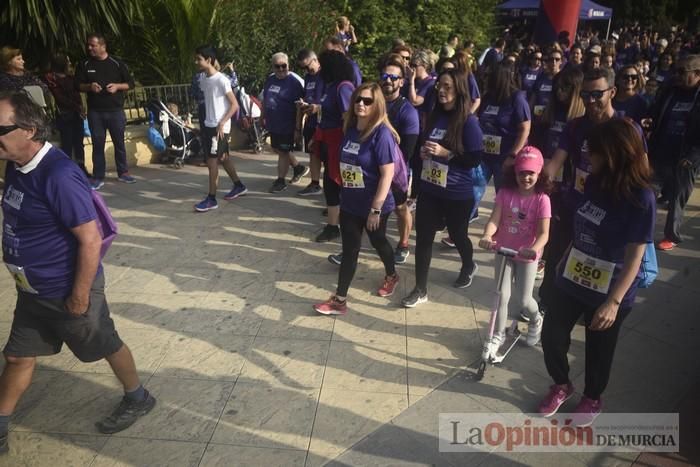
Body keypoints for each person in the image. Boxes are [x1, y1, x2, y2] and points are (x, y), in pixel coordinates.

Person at [0, 91, 156, 453]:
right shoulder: (16, 165)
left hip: (64, 287)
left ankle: (138, 396)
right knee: (18, 356)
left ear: (29, 129)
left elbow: (90, 239)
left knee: (104, 342)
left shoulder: (59, 174)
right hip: (33, 290)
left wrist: (80, 295)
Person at [539, 118, 655, 427]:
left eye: (596, 150)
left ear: (614, 152)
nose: (588, 155)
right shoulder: (593, 181)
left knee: (598, 350)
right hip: (572, 275)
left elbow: (635, 256)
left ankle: (592, 397)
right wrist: (561, 264)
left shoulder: (641, 198)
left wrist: (614, 302)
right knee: (551, 335)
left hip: (611, 288)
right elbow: (581, 227)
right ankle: (561, 384)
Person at [542, 67, 632, 313]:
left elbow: (641, 172)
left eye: (597, 95)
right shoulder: (575, 126)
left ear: (612, 92)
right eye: (584, 95)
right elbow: (558, 159)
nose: (590, 101)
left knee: (597, 263)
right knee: (556, 258)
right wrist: (546, 177)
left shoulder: (626, 129)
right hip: (573, 206)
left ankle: (595, 308)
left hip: (608, 214)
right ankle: (548, 306)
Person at [401, 69, 484, 308]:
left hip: (457, 194)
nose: (442, 90)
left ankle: (468, 264)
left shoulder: (468, 121)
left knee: (458, 235)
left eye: (447, 86)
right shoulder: (435, 117)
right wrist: (423, 153)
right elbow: (426, 148)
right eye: (440, 86)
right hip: (431, 190)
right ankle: (420, 289)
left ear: (458, 90)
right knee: (424, 238)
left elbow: (475, 158)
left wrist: (447, 154)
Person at [313, 83, 397, 315]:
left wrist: (376, 209)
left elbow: (387, 174)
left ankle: (392, 274)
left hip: (375, 203)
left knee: (379, 241)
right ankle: (339, 300)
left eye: (367, 101)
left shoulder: (382, 134)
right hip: (350, 201)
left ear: (377, 105)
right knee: (350, 249)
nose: (361, 103)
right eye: (358, 99)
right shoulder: (349, 128)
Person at [328, 54, 420, 266]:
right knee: (357, 213)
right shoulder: (369, 101)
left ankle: (403, 244)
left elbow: (407, 150)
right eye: (385, 75)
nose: (388, 80)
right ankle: (350, 251)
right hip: (367, 170)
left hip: (394, 171)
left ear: (402, 82)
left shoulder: (408, 111)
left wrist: (385, 170)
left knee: (400, 208)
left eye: (394, 77)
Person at [479, 146, 551, 352]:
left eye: (531, 173)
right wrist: (487, 235)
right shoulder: (505, 193)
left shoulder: (542, 199)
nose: (526, 177)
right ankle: (498, 334)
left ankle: (536, 319)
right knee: (501, 294)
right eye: (522, 172)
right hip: (504, 249)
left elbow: (544, 233)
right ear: (515, 172)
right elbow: (495, 219)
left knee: (524, 299)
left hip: (527, 255)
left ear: (539, 173)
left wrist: (534, 248)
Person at [647, 55, 700, 251]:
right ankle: (642, 229)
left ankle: (672, 235)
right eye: (676, 71)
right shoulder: (670, 90)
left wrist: (693, 158)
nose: (677, 75)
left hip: (684, 159)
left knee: (677, 198)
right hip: (660, 151)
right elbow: (656, 111)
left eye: (682, 72)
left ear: (697, 74)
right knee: (647, 192)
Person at [76, 33, 136, 190]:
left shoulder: (117, 63)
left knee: (119, 143)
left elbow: (130, 83)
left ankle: (123, 172)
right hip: (96, 112)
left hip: (115, 110)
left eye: (93, 45)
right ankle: (98, 177)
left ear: (103, 46)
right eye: (88, 45)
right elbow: (78, 85)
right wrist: (89, 87)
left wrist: (117, 86)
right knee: (98, 144)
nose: (89, 48)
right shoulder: (85, 64)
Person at [192, 45, 247, 212]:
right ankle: (239, 186)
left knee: (212, 161)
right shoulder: (202, 79)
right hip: (209, 125)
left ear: (208, 60)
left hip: (219, 128)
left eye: (199, 59)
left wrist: (222, 123)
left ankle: (211, 199)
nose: (196, 62)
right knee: (223, 158)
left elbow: (235, 105)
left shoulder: (222, 80)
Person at [313, 50, 356, 242]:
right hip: (328, 141)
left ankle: (335, 226)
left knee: (334, 184)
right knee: (331, 183)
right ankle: (335, 223)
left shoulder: (343, 87)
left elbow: (348, 116)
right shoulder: (331, 86)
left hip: (338, 143)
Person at [478, 61, 531, 192]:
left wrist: (513, 155)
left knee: (503, 197)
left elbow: (525, 129)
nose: (486, 78)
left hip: (505, 158)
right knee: (472, 194)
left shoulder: (517, 98)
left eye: (490, 75)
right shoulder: (488, 97)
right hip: (484, 156)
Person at [262, 52, 308, 193]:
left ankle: (280, 180)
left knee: (282, 151)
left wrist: (297, 128)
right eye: (278, 66)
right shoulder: (270, 79)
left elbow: (300, 107)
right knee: (278, 148)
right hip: (273, 123)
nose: (281, 69)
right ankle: (298, 167)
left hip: (287, 124)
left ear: (288, 65)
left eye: (284, 66)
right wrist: (263, 117)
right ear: (273, 67)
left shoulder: (294, 82)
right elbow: (265, 99)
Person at [43, 52, 88, 176]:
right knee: (67, 143)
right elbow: (59, 98)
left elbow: (76, 94)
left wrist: (80, 107)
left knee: (79, 143)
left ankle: (81, 167)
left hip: (75, 113)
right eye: (67, 61)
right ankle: (67, 170)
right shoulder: (51, 78)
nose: (69, 63)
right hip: (64, 114)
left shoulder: (70, 77)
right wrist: (76, 106)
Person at [296, 49, 324, 196]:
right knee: (312, 153)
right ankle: (314, 183)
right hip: (311, 121)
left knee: (326, 155)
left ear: (315, 59)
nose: (307, 70)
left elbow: (332, 101)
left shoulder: (325, 75)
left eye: (308, 66)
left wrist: (318, 108)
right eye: (303, 68)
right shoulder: (308, 78)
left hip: (325, 122)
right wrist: (304, 105)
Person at [530, 45, 563, 120]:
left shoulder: (564, 78)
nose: (554, 62)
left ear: (561, 61)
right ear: (548, 61)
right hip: (537, 117)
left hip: (554, 117)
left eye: (557, 59)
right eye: (551, 59)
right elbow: (533, 98)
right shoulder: (541, 77)